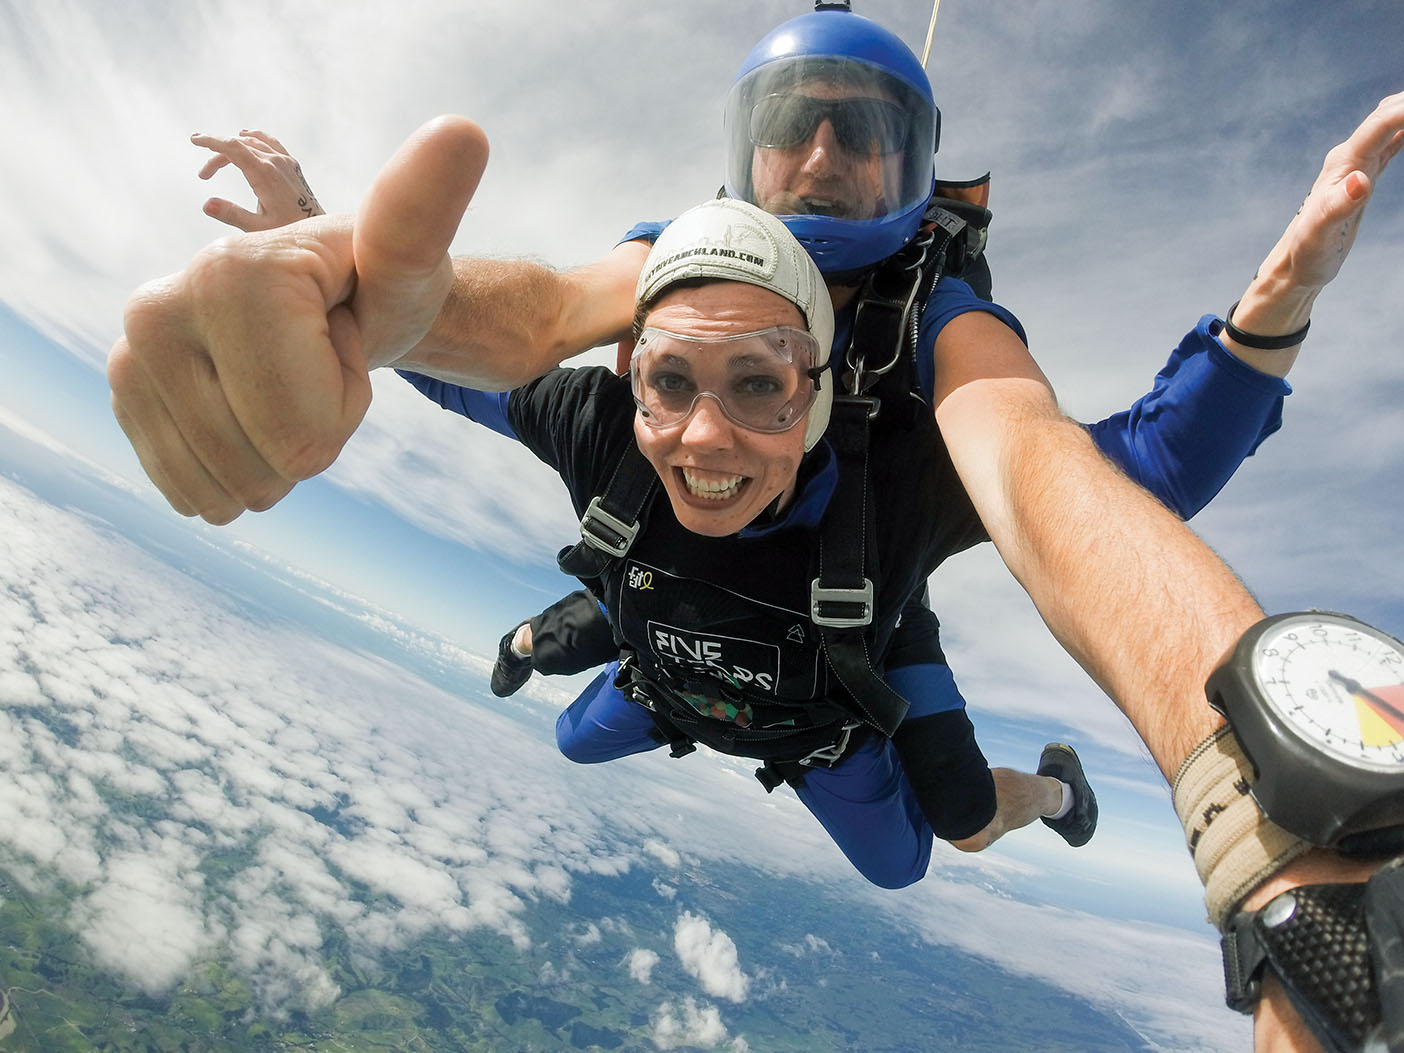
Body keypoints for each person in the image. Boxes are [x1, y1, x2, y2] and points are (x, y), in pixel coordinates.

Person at [110, 88, 1403, 1045]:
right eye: (671, 380)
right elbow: (445, 361)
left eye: (760, 386)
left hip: (837, 696)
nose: (707, 433)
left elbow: (1120, 485)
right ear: (629, 376)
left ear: (822, 392)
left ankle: (1049, 793)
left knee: (939, 833)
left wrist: (1261, 328)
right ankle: (580, 624)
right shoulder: (605, 430)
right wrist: (327, 273)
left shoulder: (900, 495)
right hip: (674, 664)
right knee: (570, 732)